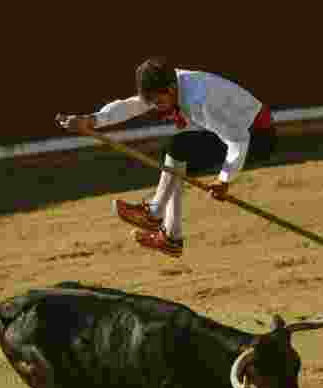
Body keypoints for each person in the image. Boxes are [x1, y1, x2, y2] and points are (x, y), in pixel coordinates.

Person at [56, 57, 276, 258]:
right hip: (238, 131)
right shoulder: (169, 84)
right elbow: (131, 105)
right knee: (175, 160)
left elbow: (238, 139)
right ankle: (170, 236)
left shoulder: (200, 100)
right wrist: (91, 120)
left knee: (179, 148)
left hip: (258, 137)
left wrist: (225, 180)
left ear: (171, 90)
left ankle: (154, 215)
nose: (156, 107)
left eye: (158, 101)